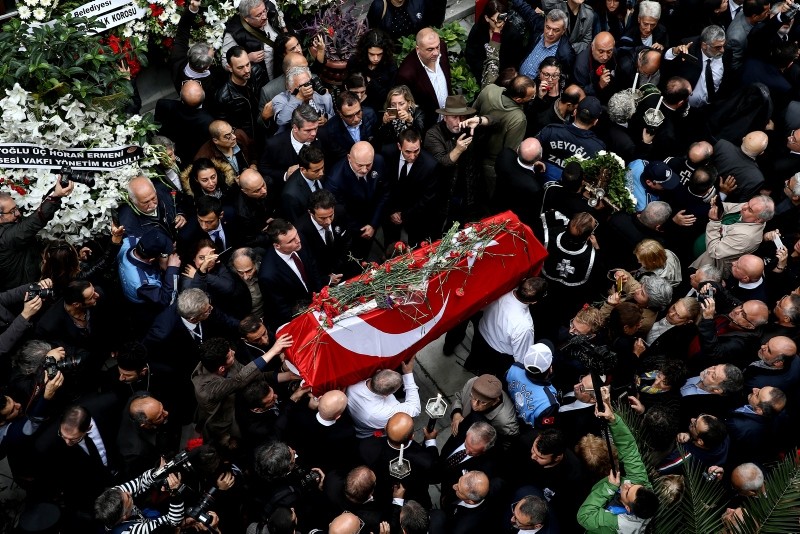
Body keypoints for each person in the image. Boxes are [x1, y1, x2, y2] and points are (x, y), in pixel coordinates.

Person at [577, 388, 658, 532]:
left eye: (627, 492)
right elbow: (629, 449)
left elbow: (584, 516)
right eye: (633, 486)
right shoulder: (641, 483)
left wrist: (609, 488)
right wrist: (612, 419)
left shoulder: (616, 526)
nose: (627, 485)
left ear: (627, 508)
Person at [191, 335, 291, 448]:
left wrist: (287, 375)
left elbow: (252, 375)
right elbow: (239, 380)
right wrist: (273, 351)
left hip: (241, 403)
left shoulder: (227, 360)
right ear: (221, 369)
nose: (233, 352)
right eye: (229, 355)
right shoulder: (206, 389)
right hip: (229, 423)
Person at [462, 276, 547, 376]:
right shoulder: (524, 326)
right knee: (486, 375)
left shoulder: (502, 290)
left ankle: (469, 367)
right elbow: (521, 357)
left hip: (480, 334)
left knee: (474, 357)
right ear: (534, 302)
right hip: (496, 354)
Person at [0, 176, 73, 291]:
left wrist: (55, 191)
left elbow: (36, 214)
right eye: (12, 211)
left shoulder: (9, 228)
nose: (18, 213)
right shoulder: (6, 237)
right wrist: (55, 196)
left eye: (16, 208)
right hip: (20, 296)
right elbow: (33, 223)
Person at [473, 74, 537, 197]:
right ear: (518, 100)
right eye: (531, 96)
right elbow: (510, 153)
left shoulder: (489, 89)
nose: (533, 97)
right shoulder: (518, 119)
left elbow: (473, 111)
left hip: (474, 151)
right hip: (493, 166)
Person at [257, 218, 326, 330]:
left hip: (318, 303)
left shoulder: (299, 241)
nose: (297, 240)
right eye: (290, 241)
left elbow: (313, 270)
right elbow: (282, 308)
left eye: (296, 234)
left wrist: (322, 296)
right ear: (277, 245)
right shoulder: (268, 275)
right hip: (299, 318)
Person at [325, 141, 389, 260]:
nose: (364, 170)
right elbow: (339, 212)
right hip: (353, 228)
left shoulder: (379, 161)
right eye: (359, 165)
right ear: (349, 158)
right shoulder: (335, 180)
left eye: (368, 165)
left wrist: (373, 224)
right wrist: (362, 229)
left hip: (373, 219)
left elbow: (384, 194)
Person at [381, 128, 438, 247]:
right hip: (390, 209)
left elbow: (426, 198)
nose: (412, 156)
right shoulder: (387, 153)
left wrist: (404, 215)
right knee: (391, 247)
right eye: (408, 152)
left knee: (416, 248)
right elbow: (383, 185)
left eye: (416, 151)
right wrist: (391, 211)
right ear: (399, 146)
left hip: (416, 213)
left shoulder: (430, 165)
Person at [94, 463, 186, 534]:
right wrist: (175, 494)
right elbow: (172, 520)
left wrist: (158, 471)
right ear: (124, 516)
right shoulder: (135, 531)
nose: (129, 492)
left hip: (143, 516)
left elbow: (140, 482)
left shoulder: (114, 494)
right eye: (129, 497)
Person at [346, 356, 420, 438]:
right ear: (386, 395)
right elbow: (415, 409)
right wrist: (408, 373)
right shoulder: (382, 413)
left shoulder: (352, 386)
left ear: (378, 372)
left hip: (353, 420)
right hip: (366, 434)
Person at [537, 96, 606, 180]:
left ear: (575, 112)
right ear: (595, 122)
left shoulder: (551, 130)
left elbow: (528, 154)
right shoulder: (598, 149)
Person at [395, 28, 452, 130]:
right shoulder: (406, 74)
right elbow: (410, 106)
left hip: (449, 118)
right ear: (418, 49)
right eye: (430, 49)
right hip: (429, 126)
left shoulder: (441, 47)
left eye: (437, 47)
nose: (435, 53)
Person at [221, 0, 284, 89]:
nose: (264, 16)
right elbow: (225, 63)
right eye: (258, 15)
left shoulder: (270, 9)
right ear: (246, 19)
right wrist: (247, 59)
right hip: (261, 83)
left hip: (280, 72)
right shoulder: (234, 33)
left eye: (264, 10)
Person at [317, 91, 378, 166]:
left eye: (358, 112)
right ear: (340, 113)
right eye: (350, 116)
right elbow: (338, 158)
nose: (356, 119)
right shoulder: (329, 131)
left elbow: (376, 141)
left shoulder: (370, 114)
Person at [450, 374, 519, 439]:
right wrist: (456, 414)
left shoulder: (506, 423)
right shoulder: (473, 382)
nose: (474, 405)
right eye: (472, 397)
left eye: (483, 402)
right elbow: (459, 397)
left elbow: (506, 444)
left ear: (495, 401)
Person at [216, 46, 261, 143]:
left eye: (248, 64)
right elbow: (226, 127)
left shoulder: (257, 72)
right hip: (246, 139)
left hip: (265, 128)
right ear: (230, 68)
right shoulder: (223, 96)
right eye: (240, 67)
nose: (247, 70)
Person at [347, 29, 398, 112]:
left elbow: (391, 94)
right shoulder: (355, 62)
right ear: (365, 51)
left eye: (379, 54)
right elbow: (347, 86)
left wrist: (371, 82)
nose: (375, 59)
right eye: (371, 54)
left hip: (379, 107)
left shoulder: (390, 65)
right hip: (356, 104)